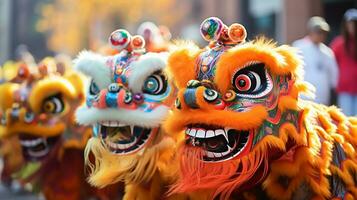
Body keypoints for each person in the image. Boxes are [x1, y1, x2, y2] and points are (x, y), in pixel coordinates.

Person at [293, 16, 338, 105]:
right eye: (318, 32)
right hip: (304, 99)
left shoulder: (328, 52)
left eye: (323, 32)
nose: (321, 35)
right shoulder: (298, 47)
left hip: (323, 100)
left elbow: (334, 76)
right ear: (310, 31)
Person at [330, 8, 357, 116]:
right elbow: (330, 63)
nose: (352, 26)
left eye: (354, 23)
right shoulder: (338, 43)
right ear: (345, 25)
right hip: (344, 89)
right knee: (347, 121)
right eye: (349, 23)